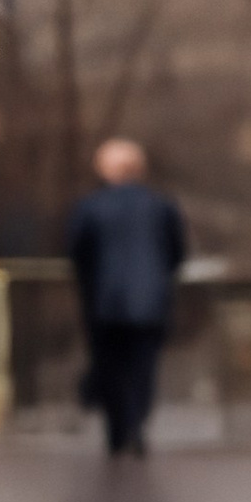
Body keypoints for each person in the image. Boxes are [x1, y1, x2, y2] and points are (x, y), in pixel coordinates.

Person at [64, 138, 187, 459]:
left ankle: (118, 430)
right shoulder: (161, 205)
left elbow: (77, 253)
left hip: (104, 302)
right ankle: (136, 424)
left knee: (111, 367)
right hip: (151, 301)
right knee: (143, 368)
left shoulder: (91, 206)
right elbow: (177, 253)